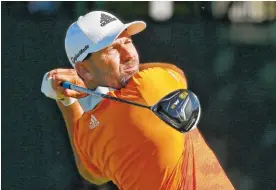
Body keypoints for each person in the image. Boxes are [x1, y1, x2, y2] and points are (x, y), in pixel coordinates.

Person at [41, 11, 234, 189]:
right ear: (83, 69)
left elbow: (90, 172)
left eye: (127, 41)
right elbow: (176, 72)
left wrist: (65, 100)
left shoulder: (91, 133)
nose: (129, 55)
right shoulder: (151, 82)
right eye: (111, 49)